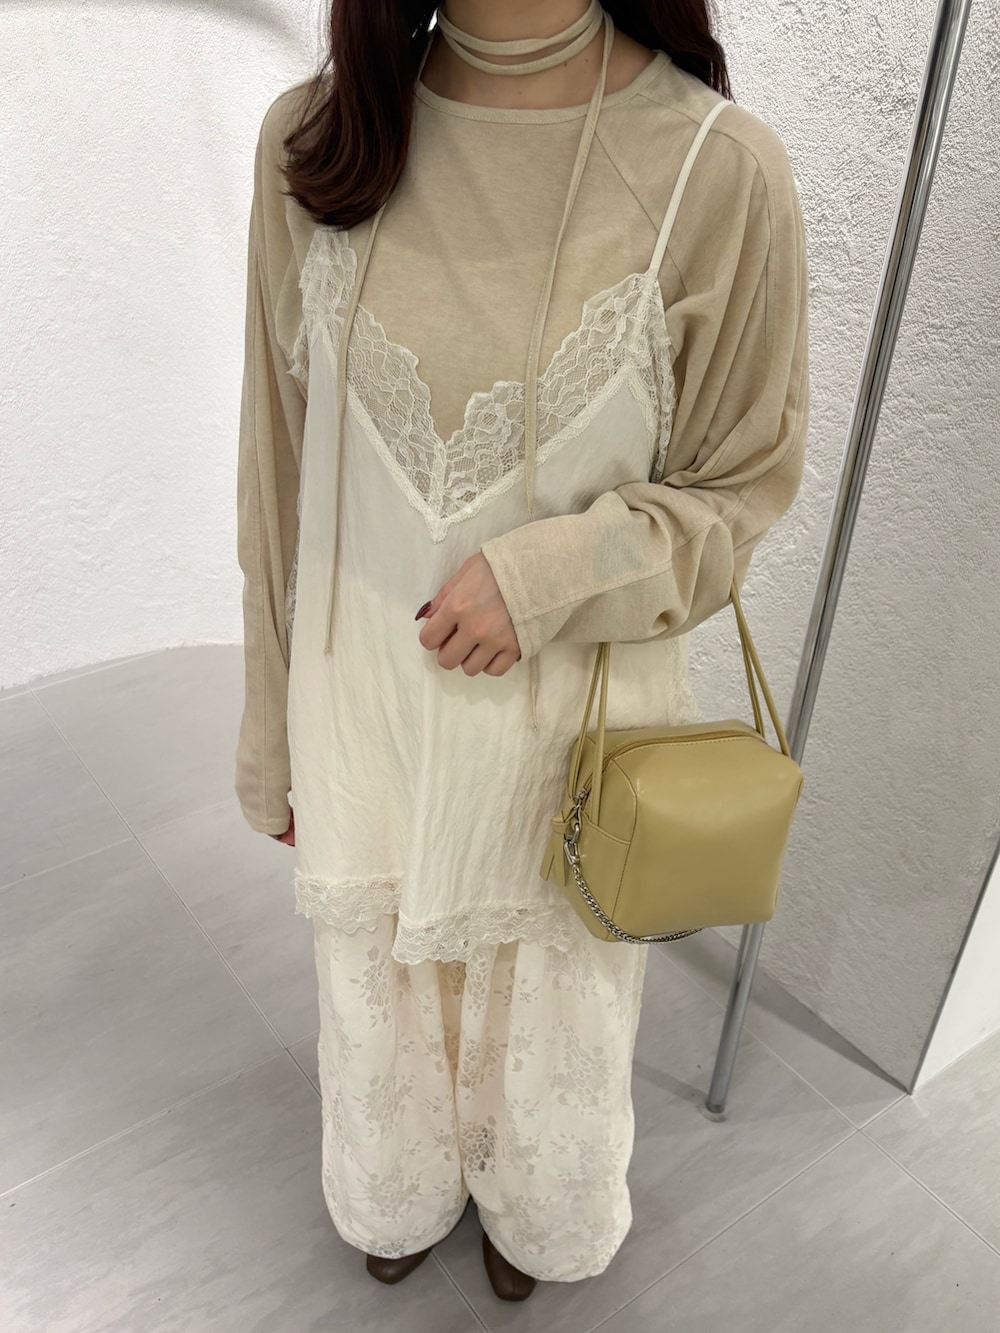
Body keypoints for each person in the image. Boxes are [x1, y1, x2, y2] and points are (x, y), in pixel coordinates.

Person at [234, 0, 809, 1303]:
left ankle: (530, 1212)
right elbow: (274, 474)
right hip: (363, 713)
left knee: (551, 1017)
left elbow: (741, 494)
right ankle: (399, 1182)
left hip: (568, 744)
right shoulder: (317, 143)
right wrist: (268, 727)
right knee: (376, 1000)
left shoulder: (717, 171)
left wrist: (549, 574)